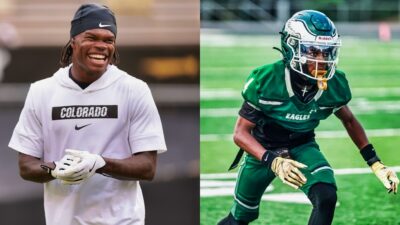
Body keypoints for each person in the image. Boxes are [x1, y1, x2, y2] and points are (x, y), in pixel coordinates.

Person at [217, 10, 398, 225]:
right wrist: (272, 161)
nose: (321, 59)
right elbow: (240, 133)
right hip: (263, 149)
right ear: (291, 46)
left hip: (302, 145)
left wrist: (375, 163)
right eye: (313, 50)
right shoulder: (266, 79)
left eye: (326, 51)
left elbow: (348, 119)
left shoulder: (334, 84)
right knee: (239, 218)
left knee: (326, 196)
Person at [9, 4, 167, 225]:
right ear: (73, 41)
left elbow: (147, 167)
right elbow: (26, 165)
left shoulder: (134, 89)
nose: (101, 46)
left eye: (108, 40)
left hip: (122, 220)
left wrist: (99, 163)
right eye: (92, 37)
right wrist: (56, 169)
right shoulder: (42, 91)